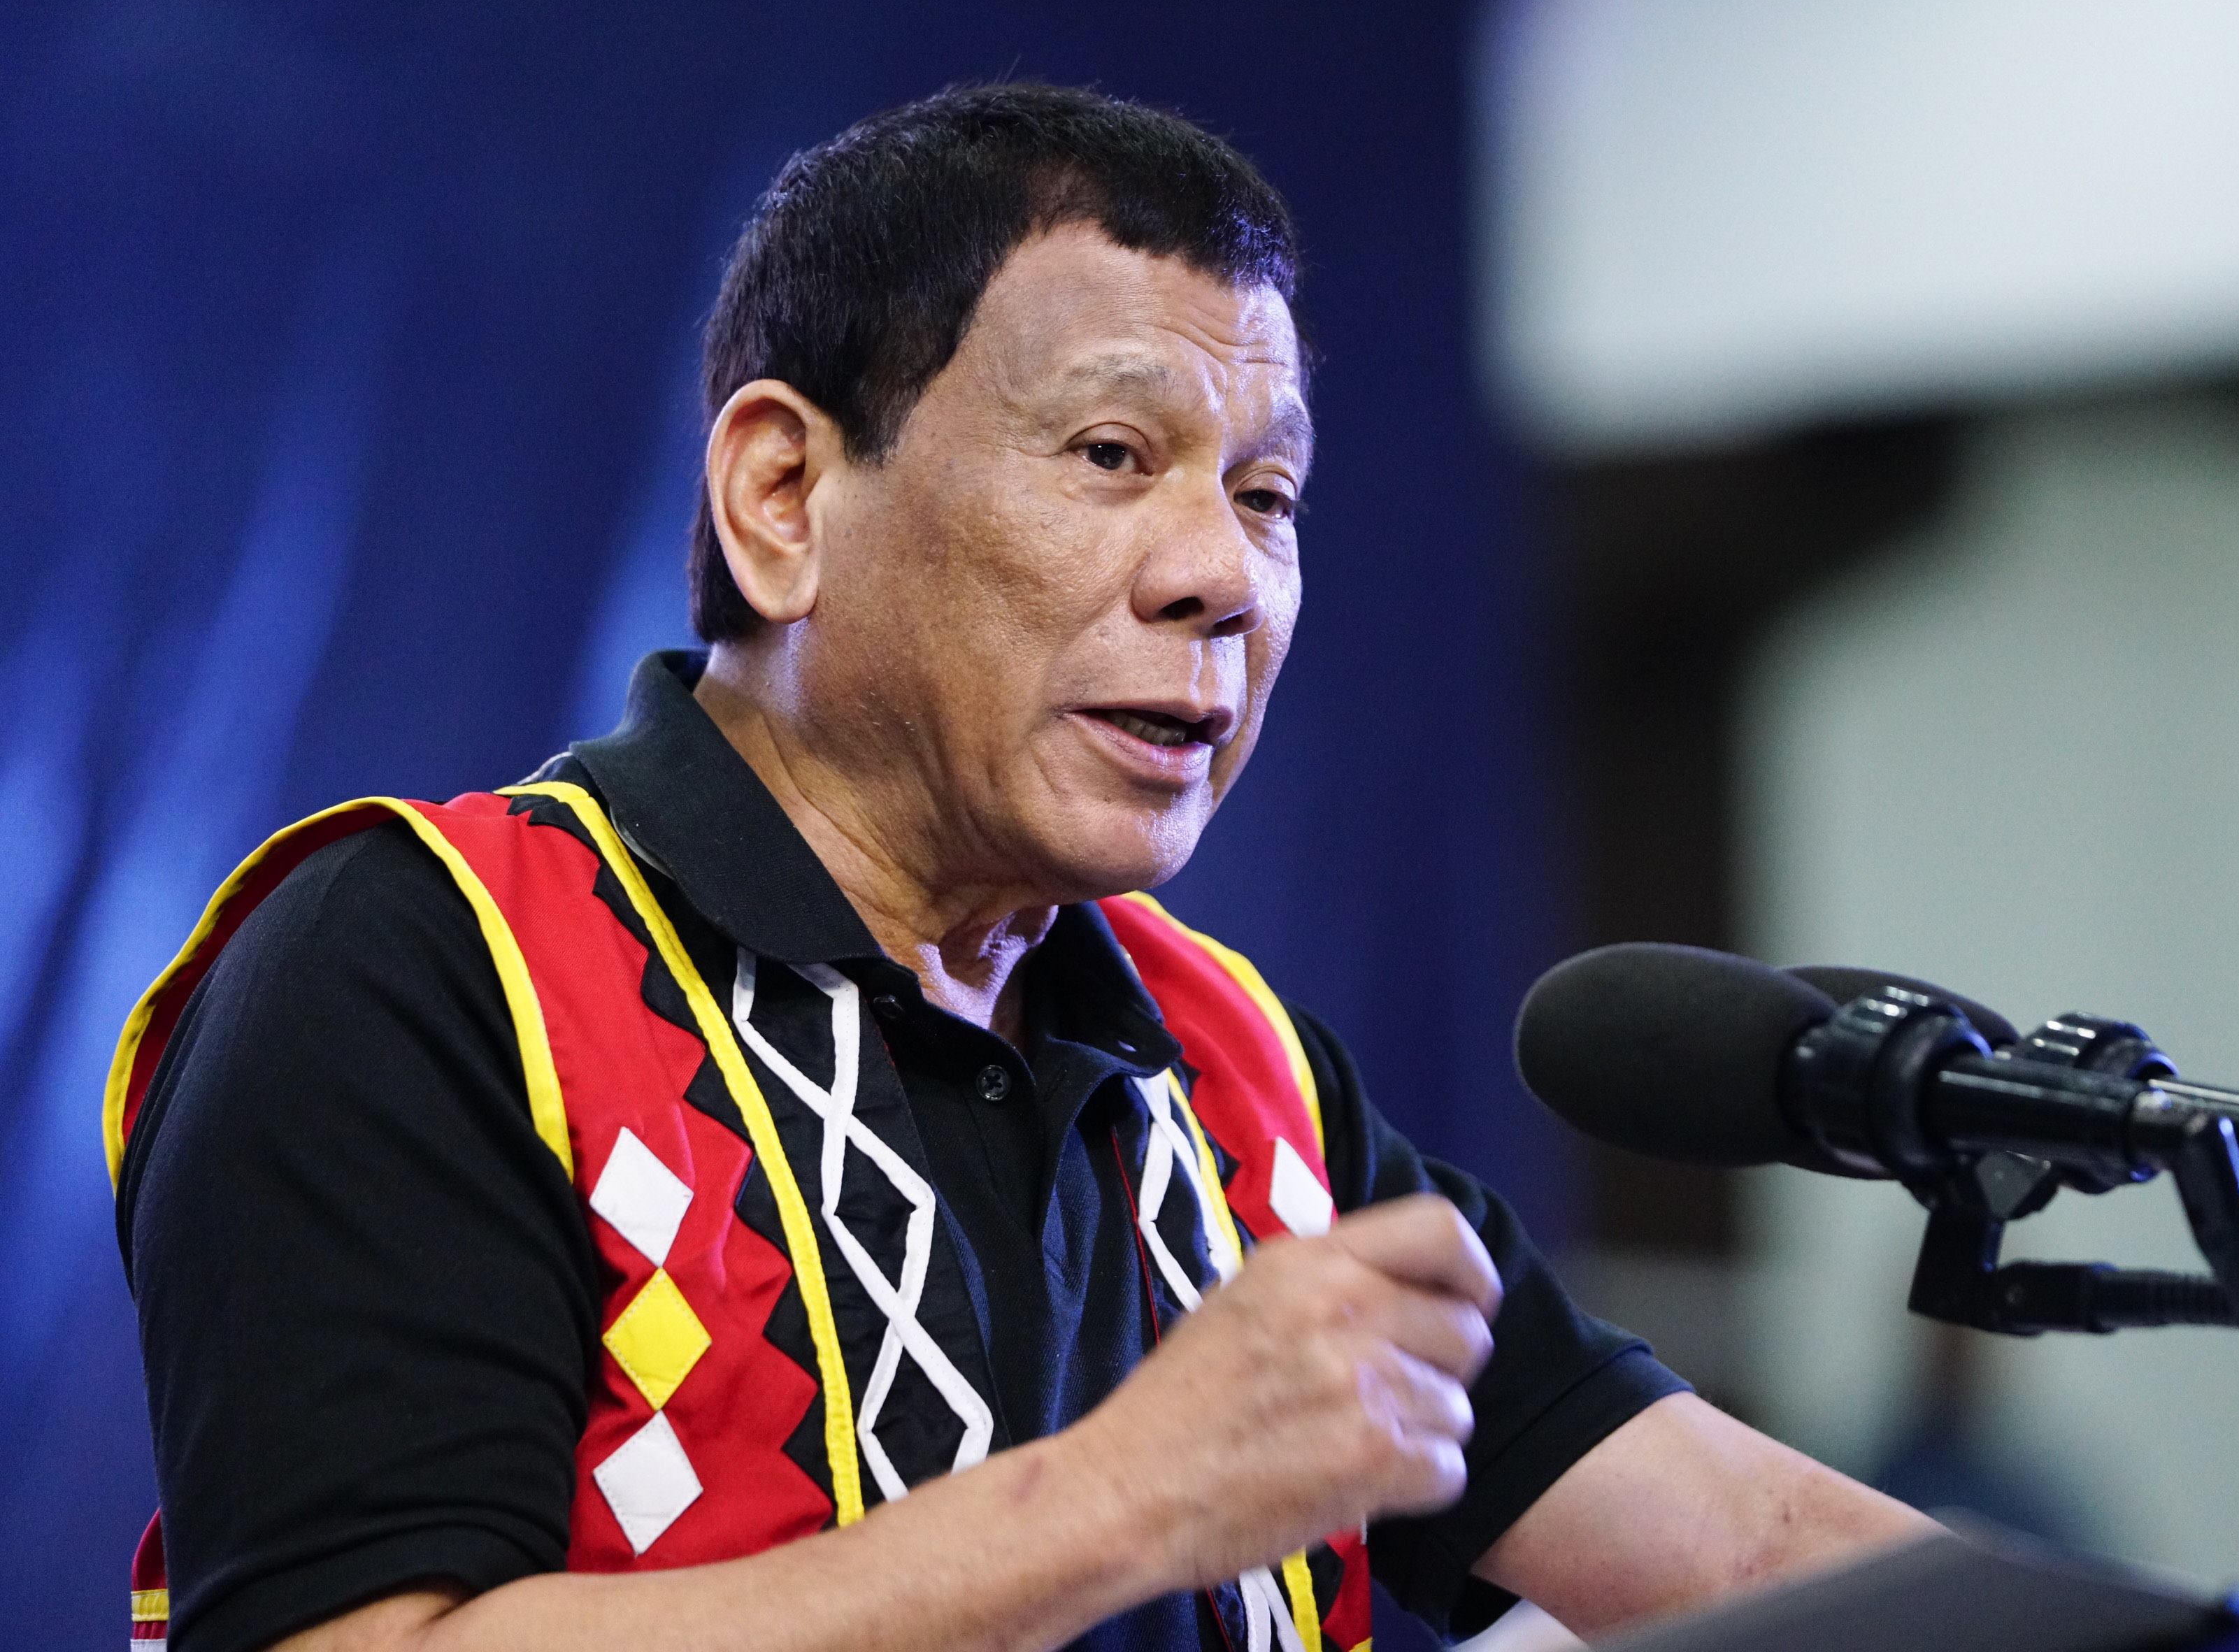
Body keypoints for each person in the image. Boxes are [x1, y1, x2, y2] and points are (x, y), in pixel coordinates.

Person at [107, 84, 1931, 1652]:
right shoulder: (427, 961)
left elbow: (1751, 1553)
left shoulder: (1240, 1090)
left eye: (1270, 495)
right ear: (783, 496)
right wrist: (1121, 1500)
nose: (1221, 575)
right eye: (1114, 454)